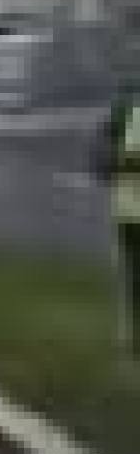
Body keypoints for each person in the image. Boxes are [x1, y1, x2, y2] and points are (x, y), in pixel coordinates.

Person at [101, 85, 140, 355]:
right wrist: (126, 161)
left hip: (129, 210)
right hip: (130, 213)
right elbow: (101, 162)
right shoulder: (123, 113)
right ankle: (130, 338)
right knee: (132, 278)